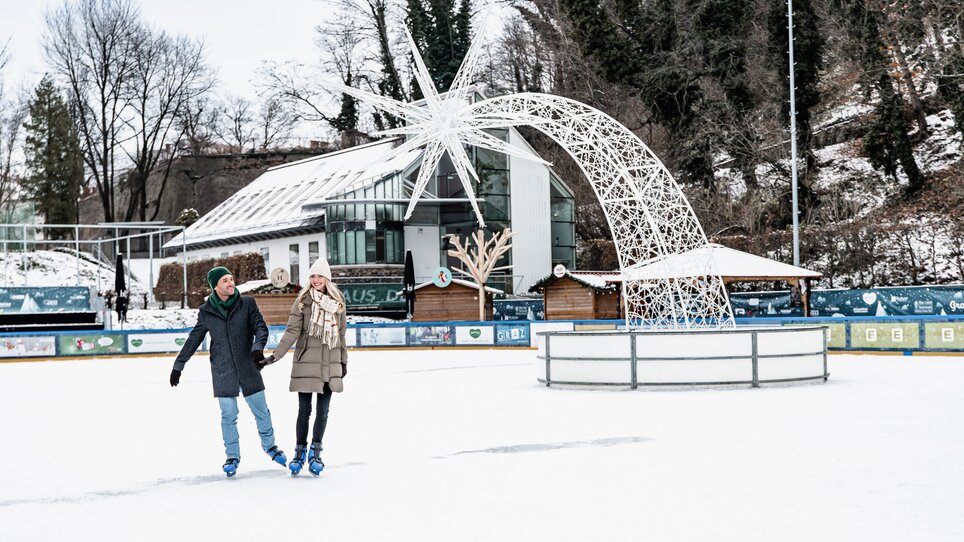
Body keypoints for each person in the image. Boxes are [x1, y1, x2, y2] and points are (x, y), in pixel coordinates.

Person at [169, 266, 287, 477]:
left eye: (232, 279)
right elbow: (194, 339)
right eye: (225, 280)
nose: (231, 283)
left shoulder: (247, 304)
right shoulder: (206, 311)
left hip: (248, 366)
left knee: (261, 411)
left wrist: (257, 348)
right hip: (223, 370)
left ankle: (270, 446)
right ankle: (232, 456)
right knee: (228, 415)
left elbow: (260, 327)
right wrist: (179, 365)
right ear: (215, 286)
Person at [258, 258, 347, 476]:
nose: (315, 280)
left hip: (330, 362)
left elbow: (342, 334)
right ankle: (299, 452)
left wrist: (343, 361)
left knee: (323, 412)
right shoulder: (302, 301)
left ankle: (316, 453)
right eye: (312, 276)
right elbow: (291, 332)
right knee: (304, 411)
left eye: (319, 276)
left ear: (327, 278)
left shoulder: (338, 303)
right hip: (306, 362)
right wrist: (275, 356)